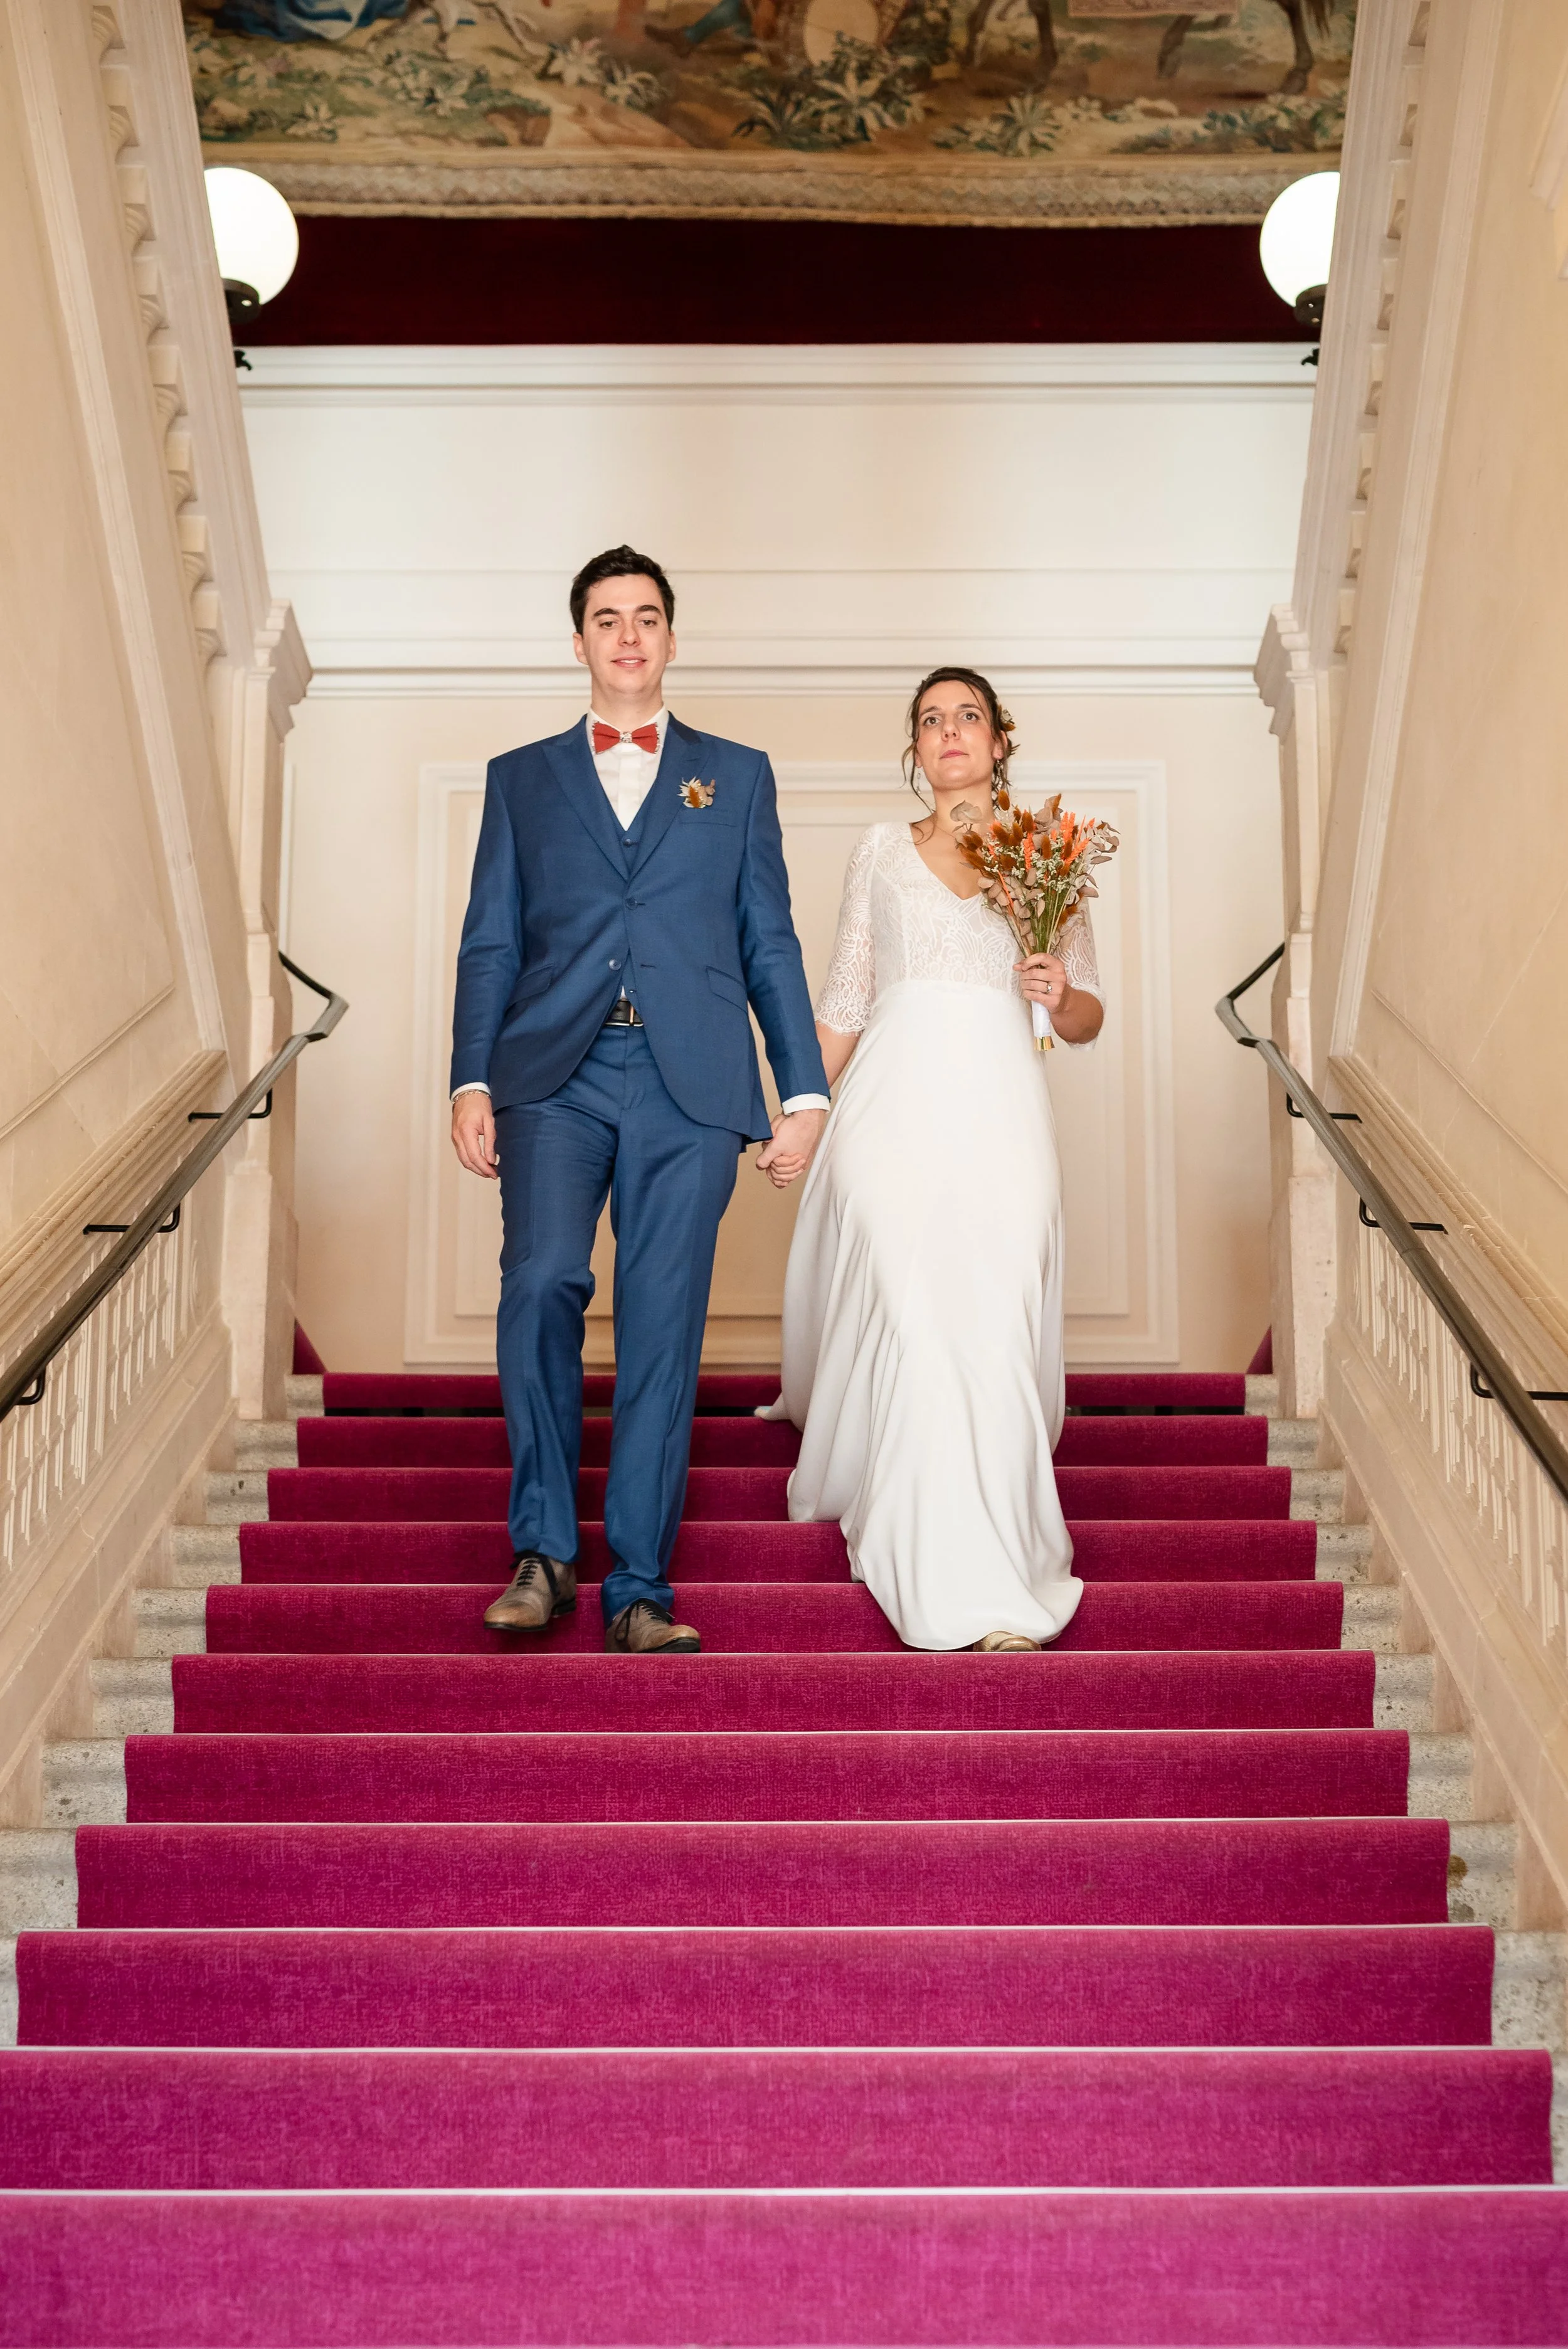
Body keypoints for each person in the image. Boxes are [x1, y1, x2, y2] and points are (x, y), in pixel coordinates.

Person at [449, 547, 829, 1653]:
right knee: (541, 1281)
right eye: (607, 618)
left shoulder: (737, 776)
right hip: (551, 1077)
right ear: (579, 641)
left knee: (662, 1321)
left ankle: (640, 1589)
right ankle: (542, 1555)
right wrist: (472, 1076)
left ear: (670, 637)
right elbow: (490, 941)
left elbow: (769, 939)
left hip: (691, 1081)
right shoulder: (520, 778)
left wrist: (803, 1090)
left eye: (647, 616)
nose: (628, 635)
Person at [763, 665, 1104, 1652]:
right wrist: (799, 1113)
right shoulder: (879, 850)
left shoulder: (1048, 852)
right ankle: (940, 1570)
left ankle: (999, 1561)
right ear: (916, 749)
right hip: (890, 1111)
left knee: (993, 1315)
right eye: (930, 720)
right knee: (914, 1318)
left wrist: (1057, 992)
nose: (949, 732)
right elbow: (844, 1003)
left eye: (967, 717)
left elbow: (1086, 1015)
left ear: (999, 740)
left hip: (1003, 1107)